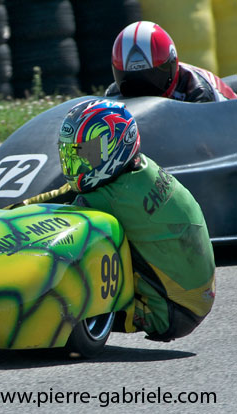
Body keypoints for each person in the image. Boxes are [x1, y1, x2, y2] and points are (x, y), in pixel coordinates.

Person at [57, 99, 215, 341]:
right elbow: (64, 193)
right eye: (74, 153)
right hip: (195, 299)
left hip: (168, 312)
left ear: (116, 146)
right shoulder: (141, 168)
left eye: (88, 152)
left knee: (68, 243)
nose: (81, 161)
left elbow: (53, 214)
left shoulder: (110, 199)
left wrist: (9, 212)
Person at [105, 20, 237, 102]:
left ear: (171, 65)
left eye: (152, 76)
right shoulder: (114, 94)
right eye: (132, 81)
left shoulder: (197, 91)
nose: (143, 91)